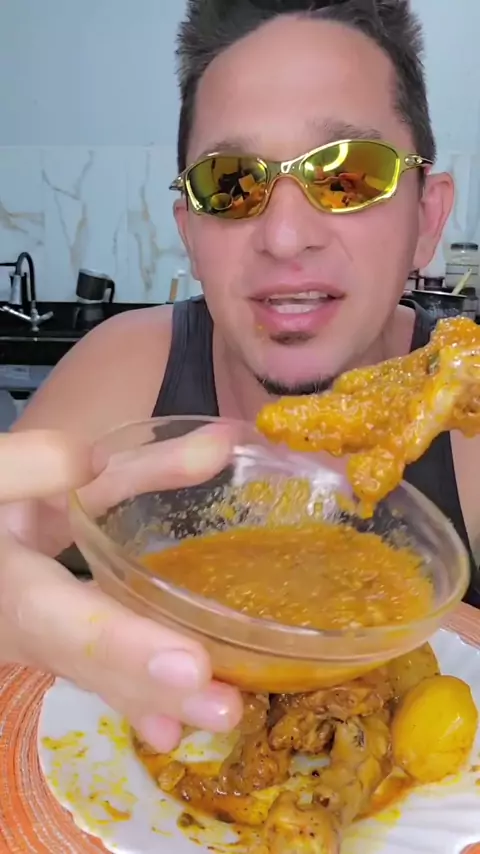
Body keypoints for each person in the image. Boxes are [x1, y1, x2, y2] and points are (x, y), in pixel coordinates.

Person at [3, 0, 480, 746]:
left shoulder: (467, 428)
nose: (284, 236)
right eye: (230, 182)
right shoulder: (121, 370)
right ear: (191, 234)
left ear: (427, 217)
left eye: (349, 174)